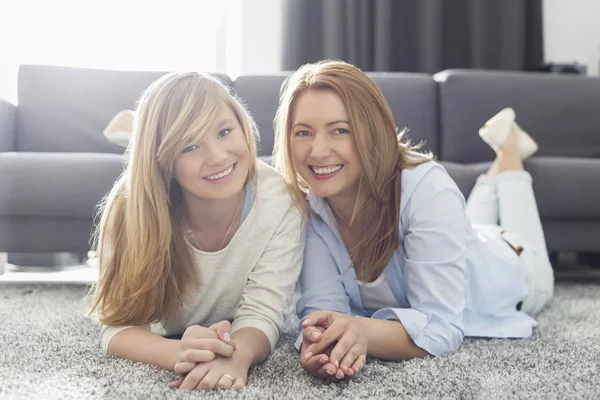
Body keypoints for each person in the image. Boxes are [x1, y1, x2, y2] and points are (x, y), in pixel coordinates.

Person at [273, 60, 554, 381]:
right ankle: (497, 167)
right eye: (303, 132)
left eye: (340, 130)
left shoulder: (427, 187)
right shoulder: (307, 209)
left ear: (371, 131)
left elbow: (442, 327)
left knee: (509, 199)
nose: (318, 151)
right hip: (465, 237)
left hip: (515, 264)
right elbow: (323, 311)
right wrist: (319, 342)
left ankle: (509, 151)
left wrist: (359, 329)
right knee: (468, 228)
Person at [89, 72, 305, 390]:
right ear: (165, 162)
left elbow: (263, 312)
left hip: (232, 329)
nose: (217, 157)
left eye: (224, 131)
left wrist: (237, 355)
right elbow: (117, 328)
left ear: (243, 126)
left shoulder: (281, 200)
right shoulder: (129, 206)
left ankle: (140, 130)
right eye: (189, 146)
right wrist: (181, 352)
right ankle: (135, 131)